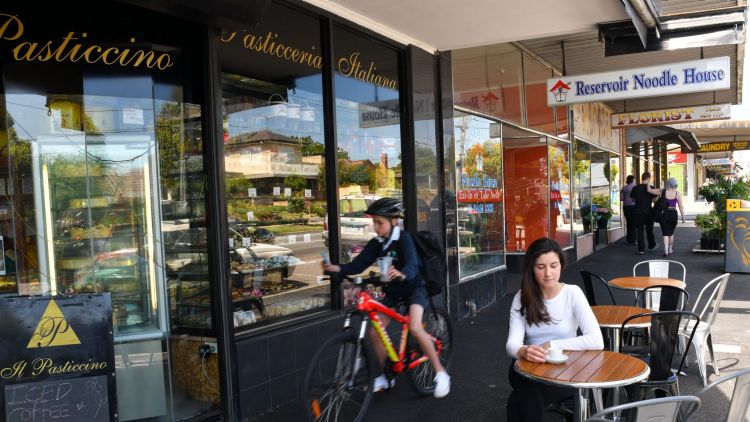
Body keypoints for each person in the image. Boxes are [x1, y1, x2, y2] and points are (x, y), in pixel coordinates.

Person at [322, 197, 451, 398]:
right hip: (394, 291)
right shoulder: (377, 243)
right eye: (374, 222)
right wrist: (335, 268)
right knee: (374, 333)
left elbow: (412, 265)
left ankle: (441, 373)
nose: (375, 227)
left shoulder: (404, 239)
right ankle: (386, 376)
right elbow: (358, 265)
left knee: (416, 328)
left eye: (379, 223)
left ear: (393, 221)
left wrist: (402, 274)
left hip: (415, 287)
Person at [505, 238, 604, 421]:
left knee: (516, 401)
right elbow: (512, 344)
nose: (548, 273)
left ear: (561, 264)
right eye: (540, 267)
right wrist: (524, 350)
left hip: (565, 369)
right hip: (530, 367)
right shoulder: (522, 297)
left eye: (553, 265)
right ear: (531, 269)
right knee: (523, 383)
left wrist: (552, 344)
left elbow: (596, 340)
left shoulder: (572, 293)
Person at [630, 172, 662, 255]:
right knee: (649, 229)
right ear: (648, 178)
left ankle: (641, 249)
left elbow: (632, 200)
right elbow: (654, 201)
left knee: (640, 230)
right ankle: (651, 245)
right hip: (648, 212)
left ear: (642, 178)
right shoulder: (651, 187)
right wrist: (657, 196)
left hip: (637, 212)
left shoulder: (635, 188)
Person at [659, 177, 686, 256]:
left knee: (665, 233)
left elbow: (651, 191)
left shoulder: (663, 192)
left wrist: (648, 185)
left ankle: (666, 251)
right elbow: (681, 206)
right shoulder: (678, 193)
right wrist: (683, 217)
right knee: (671, 232)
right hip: (674, 214)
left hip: (665, 213)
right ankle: (670, 249)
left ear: (667, 184)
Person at [621, 175, 637, 244]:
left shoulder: (624, 188)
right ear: (633, 180)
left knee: (628, 223)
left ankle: (629, 239)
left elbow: (621, 198)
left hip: (626, 207)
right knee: (633, 223)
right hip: (633, 207)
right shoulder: (635, 187)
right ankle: (633, 240)